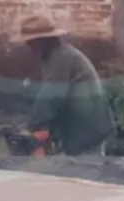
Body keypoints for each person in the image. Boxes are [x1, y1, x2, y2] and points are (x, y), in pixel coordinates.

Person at [18, 15, 116, 156]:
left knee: (85, 170)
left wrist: (35, 126)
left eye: (31, 43)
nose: (30, 48)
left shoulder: (62, 56)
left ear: (42, 42)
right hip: (79, 123)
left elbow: (51, 95)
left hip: (87, 126)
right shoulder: (53, 57)